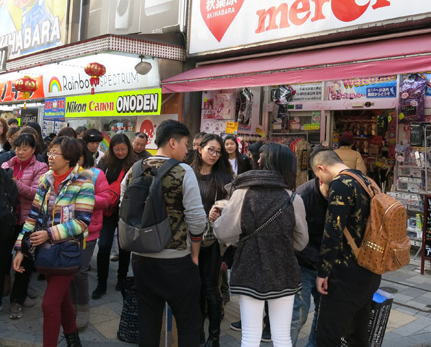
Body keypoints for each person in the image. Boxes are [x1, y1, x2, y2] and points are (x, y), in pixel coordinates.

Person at [210, 143, 308, 347]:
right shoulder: (293, 198)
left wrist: (217, 221)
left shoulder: (243, 192)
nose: (257, 159)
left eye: (261, 156)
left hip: (248, 268)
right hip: (284, 270)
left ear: (265, 162)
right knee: (282, 336)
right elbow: (301, 242)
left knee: (250, 336)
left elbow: (223, 232)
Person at [120, 120, 207, 347]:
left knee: (148, 322)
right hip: (176, 261)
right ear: (172, 142)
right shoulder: (183, 171)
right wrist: (195, 252)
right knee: (189, 322)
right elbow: (197, 220)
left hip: (141, 260)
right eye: (186, 144)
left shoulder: (134, 169)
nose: (187, 150)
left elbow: (124, 210)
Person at [13, 136, 95, 347]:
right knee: (62, 299)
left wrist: (50, 233)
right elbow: (32, 217)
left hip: (67, 251)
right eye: (49, 152)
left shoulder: (84, 182)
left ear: (69, 158)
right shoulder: (46, 181)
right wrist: (21, 249)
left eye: (54, 153)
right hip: (45, 253)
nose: (49, 156)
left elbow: (82, 222)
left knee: (49, 305)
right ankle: (72, 337)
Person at [309, 147, 381, 347]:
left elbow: (332, 232)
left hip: (346, 274)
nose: (321, 182)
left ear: (321, 168)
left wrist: (323, 272)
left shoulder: (341, 184)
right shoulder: (367, 181)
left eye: (319, 177)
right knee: (358, 336)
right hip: (370, 269)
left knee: (327, 336)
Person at [0, 134, 49, 319]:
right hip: (7, 221)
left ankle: (17, 301)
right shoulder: (6, 165)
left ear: (33, 150)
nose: (21, 152)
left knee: (25, 263)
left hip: (27, 222)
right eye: (18, 148)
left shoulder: (41, 167)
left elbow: (37, 194)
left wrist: (16, 185)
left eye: (25, 148)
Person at [191, 134, 234, 347]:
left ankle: (214, 337)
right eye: (211, 150)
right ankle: (197, 332)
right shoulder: (188, 172)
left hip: (212, 240)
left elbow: (234, 208)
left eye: (218, 152)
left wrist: (221, 209)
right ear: (200, 148)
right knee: (194, 286)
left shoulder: (225, 176)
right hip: (189, 238)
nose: (215, 155)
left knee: (209, 286)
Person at [70, 140, 113, 329]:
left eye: (78, 155)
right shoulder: (61, 174)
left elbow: (106, 200)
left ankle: (82, 305)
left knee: (80, 271)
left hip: (89, 230)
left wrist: (82, 197)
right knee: (66, 269)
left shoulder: (97, 174)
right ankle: (69, 304)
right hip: (64, 229)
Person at [92, 133, 136, 299]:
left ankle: (122, 278)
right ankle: (101, 282)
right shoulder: (105, 162)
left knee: (124, 247)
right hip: (108, 210)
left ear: (128, 148)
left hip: (126, 212)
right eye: (116, 149)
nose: (120, 152)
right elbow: (96, 181)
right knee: (103, 246)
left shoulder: (134, 163)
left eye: (123, 149)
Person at [290, 177, 329, 347]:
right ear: (321, 179)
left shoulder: (341, 196)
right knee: (298, 316)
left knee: (323, 315)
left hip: (326, 267)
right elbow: (293, 238)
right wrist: (320, 260)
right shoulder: (302, 196)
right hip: (302, 264)